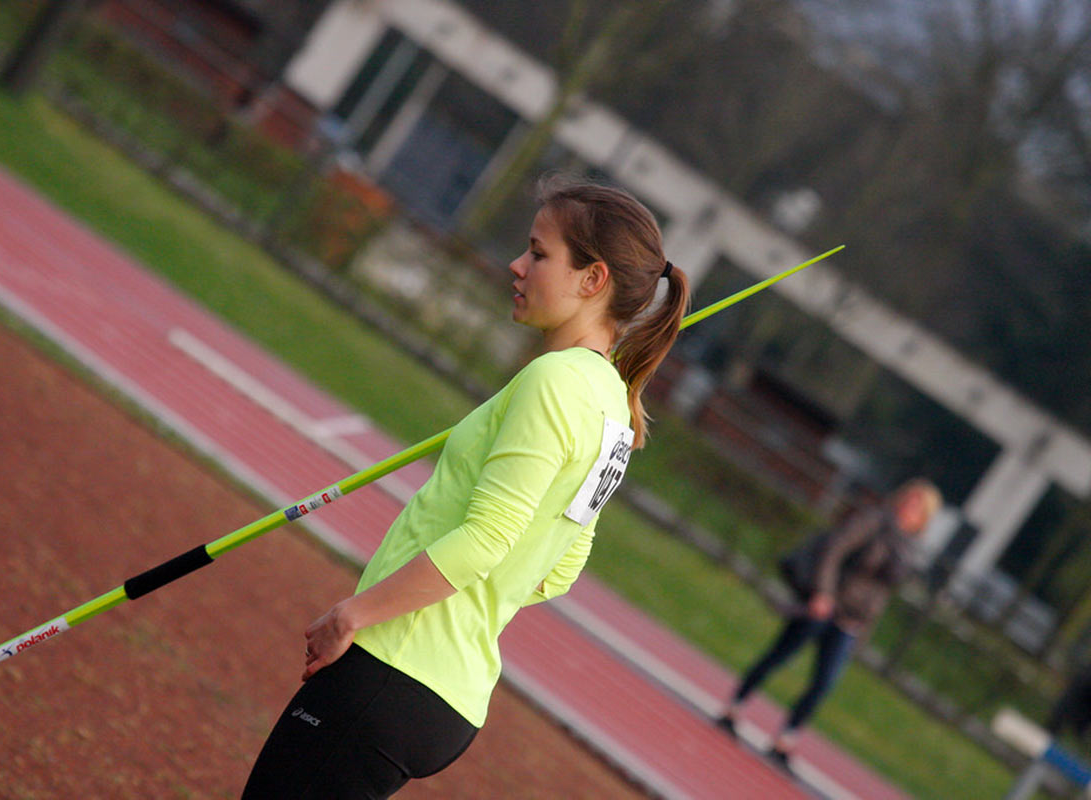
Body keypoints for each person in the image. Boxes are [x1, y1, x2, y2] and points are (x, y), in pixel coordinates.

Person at [241, 177, 690, 799]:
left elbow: (486, 539)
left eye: (538, 253)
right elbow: (561, 567)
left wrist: (355, 615)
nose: (517, 264)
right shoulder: (617, 407)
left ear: (593, 280)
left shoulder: (555, 382)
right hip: (447, 698)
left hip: (393, 666)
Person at [716, 478, 942, 769]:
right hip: (828, 604)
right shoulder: (874, 522)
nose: (909, 510)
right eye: (908, 501)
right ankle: (735, 706)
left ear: (924, 518)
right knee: (781, 655)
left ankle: (786, 738)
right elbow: (834, 549)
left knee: (824, 683)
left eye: (917, 508)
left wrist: (865, 629)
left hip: (852, 620)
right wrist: (823, 592)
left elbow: (882, 593)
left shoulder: (909, 549)